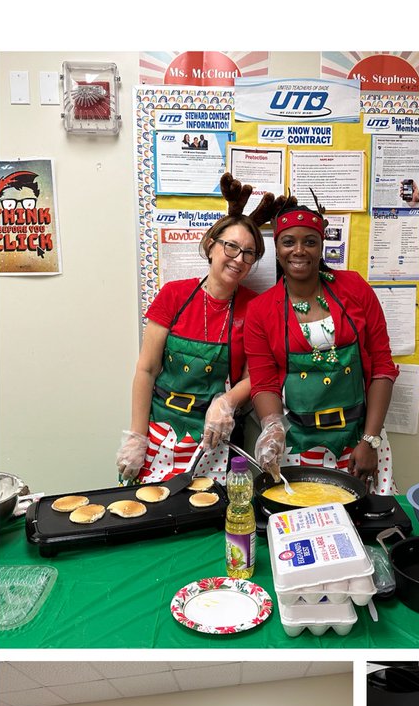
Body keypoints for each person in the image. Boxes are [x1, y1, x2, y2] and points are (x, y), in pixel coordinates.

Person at [118, 175, 276, 484]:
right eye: (231, 247)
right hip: (161, 429)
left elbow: (259, 373)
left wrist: (226, 402)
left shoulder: (256, 307)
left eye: (249, 253)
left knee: (208, 513)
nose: (239, 259)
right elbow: (147, 369)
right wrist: (137, 437)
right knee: (152, 511)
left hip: (215, 436)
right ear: (210, 246)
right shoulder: (174, 295)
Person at [245, 195, 398, 492]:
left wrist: (369, 441)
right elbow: (263, 383)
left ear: (322, 245)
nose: (299, 250)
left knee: (364, 526)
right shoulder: (261, 310)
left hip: (359, 442)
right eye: (288, 242)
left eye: (310, 242)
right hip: (297, 445)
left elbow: (382, 366)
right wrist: (272, 429)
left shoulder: (355, 288)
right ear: (276, 249)